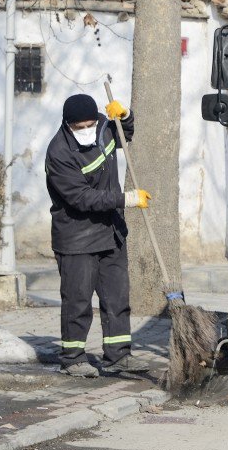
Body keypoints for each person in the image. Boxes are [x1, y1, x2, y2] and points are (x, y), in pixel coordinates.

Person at [45, 93, 150, 378]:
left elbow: (125, 135)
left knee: (117, 298)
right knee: (77, 301)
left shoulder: (103, 127)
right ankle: (73, 358)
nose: (87, 130)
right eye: (80, 126)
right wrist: (124, 199)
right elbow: (81, 198)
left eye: (91, 123)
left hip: (111, 232)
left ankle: (118, 355)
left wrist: (125, 116)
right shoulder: (59, 153)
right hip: (76, 238)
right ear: (68, 125)